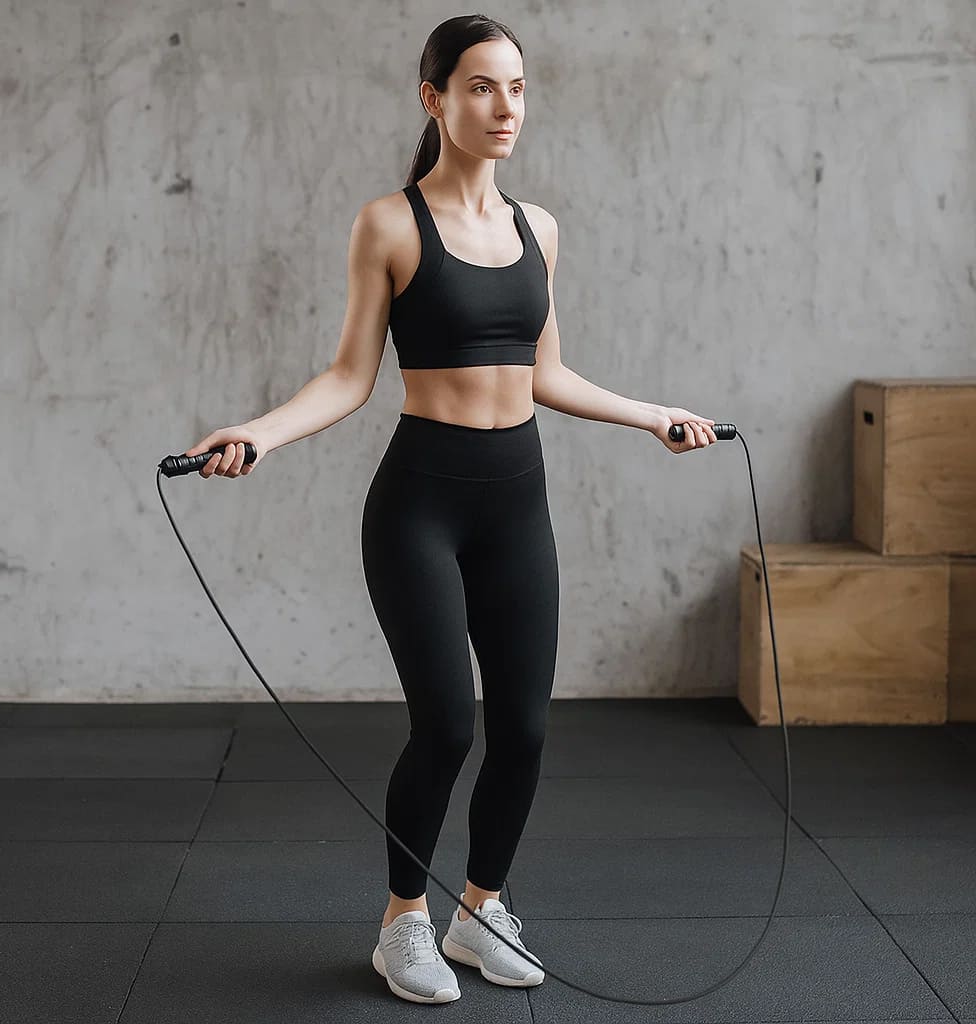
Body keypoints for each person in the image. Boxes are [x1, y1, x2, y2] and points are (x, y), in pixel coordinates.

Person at [183, 13, 717, 1005]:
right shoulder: (390, 224)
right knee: (445, 726)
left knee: (524, 728)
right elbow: (348, 377)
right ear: (433, 99)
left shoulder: (537, 228)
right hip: (420, 505)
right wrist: (257, 431)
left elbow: (545, 372)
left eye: (516, 86)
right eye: (480, 86)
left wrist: (653, 416)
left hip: (518, 502)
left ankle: (480, 910)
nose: (505, 106)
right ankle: (403, 924)